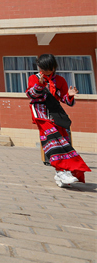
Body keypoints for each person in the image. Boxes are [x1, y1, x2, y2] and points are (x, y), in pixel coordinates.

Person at [27, 54, 91, 187]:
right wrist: (39, 85)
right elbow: (30, 95)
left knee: (64, 141)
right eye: (43, 68)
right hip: (41, 114)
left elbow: (64, 100)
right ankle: (61, 171)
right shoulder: (34, 78)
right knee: (53, 140)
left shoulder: (60, 80)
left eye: (49, 68)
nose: (46, 71)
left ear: (54, 67)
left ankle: (61, 172)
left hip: (56, 114)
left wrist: (70, 96)